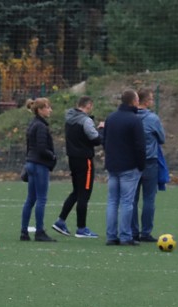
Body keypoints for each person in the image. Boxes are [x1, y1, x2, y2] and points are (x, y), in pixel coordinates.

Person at [51, 96, 104, 238]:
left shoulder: (69, 117)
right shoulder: (86, 120)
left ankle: (60, 220)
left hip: (73, 158)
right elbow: (95, 139)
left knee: (76, 191)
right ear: (89, 105)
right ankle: (81, 228)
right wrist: (101, 130)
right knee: (84, 194)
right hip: (85, 159)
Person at [103, 89, 146, 246]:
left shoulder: (111, 118)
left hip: (112, 165)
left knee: (112, 201)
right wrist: (141, 165)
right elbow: (140, 146)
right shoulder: (134, 120)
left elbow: (104, 139)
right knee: (127, 202)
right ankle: (126, 236)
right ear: (133, 101)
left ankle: (111, 236)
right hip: (129, 166)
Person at [130, 88, 166, 243]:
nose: (152, 101)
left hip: (131, 161)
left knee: (131, 199)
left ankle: (132, 231)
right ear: (146, 101)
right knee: (149, 198)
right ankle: (146, 232)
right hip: (149, 161)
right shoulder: (153, 118)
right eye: (151, 99)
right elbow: (162, 138)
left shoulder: (128, 117)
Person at [21, 98, 57, 242]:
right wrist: (52, 156)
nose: (50, 110)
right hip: (39, 164)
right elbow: (42, 148)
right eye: (48, 107)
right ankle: (39, 231)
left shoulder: (32, 124)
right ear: (40, 110)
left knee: (30, 199)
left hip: (31, 162)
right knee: (41, 199)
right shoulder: (41, 126)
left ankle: (24, 231)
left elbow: (30, 146)